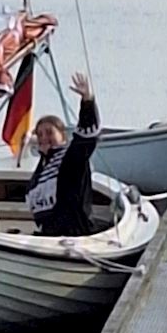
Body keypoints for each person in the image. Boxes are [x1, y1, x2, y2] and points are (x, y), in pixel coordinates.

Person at [25, 72, 100, 237]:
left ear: (62, 135)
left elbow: (85, 139)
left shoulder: (70, 158)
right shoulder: (41, 169)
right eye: (40, 134)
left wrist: (87, 101)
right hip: (49, 235)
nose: (44, 138)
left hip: (74, 233)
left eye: (49, 132)